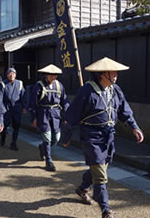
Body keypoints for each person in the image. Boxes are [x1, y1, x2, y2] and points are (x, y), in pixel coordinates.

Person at [62, 57, 144, 218]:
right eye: (112, 72)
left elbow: (124, 110)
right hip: (91, 137)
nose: (115, 75)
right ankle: (106, 210)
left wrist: (134, 126)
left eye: (116, 72)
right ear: (101, 74)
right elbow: (71, 115)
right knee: (100, 175)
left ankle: (82, 188)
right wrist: (66, 136)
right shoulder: (87, 91)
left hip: (108, 137)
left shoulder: (115, 90)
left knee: (99, 167)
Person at [29, 64, 69, 171]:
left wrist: (67, 115)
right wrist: (34, 118)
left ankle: (42, 148)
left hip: (56, 113)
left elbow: (64, 101)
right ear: (46, 74)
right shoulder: (39, 86)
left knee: (56, 138)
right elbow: (33, 104)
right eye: (51, 75)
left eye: (55, 75)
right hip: (43, 113)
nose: (53, 77)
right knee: (47, 137)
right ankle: (49, 160)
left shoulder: (59, 86)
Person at [1, 67, 27, 151]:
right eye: (10, 73)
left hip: (16, 107)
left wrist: (24, 107)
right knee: (5, 125)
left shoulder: (19, 83)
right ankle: (3, 137)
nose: (11, 75)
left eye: (13, 73)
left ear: (15, 75)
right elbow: (0, 97)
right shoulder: (3, 84)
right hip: (6, 108)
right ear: (7, 75)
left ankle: (13, 143)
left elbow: (23, 96)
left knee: (16, 126)